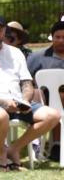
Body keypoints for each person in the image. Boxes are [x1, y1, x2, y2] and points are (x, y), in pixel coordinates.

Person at [0, 13, 61, 171]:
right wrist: (2, 102)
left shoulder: (15, 53)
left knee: (52, 115)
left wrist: (25, 100)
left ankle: (14, 149)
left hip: (16, 101)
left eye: (0, 30)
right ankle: (1, 152)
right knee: (0, 115)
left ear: (4, 31)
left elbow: (26, 83)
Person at [27, 20, 64, 161]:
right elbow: (25, 80)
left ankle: (57, 144)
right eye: (57, 37)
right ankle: (41, 143)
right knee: (36, 92)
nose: (61, 41)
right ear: (51, 37)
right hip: (44, 101)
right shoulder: (37, 58)